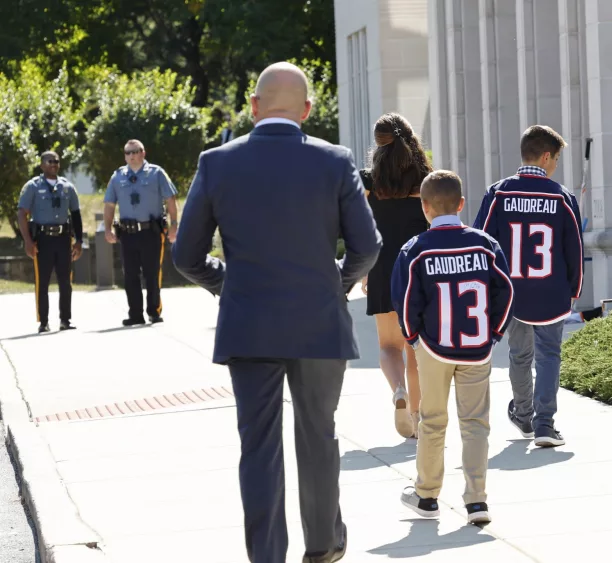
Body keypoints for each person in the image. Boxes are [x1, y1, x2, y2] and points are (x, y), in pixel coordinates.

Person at [172, 61, 381, 563]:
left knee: (259, 447)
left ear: (254, 107)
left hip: (250, 324)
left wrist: (228, 284)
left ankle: (267, 555)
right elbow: (368, 245)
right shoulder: (335, 162)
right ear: (308, 110)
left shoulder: (217, 162)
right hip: (318, 323)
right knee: (318, 437)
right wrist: (338, 284)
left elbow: (185, 255)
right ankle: (324, 545)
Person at [391, 170, 514, 525]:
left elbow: (405, 302)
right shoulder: (485, 244)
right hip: (477, 345)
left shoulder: (415, 250)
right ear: (461, 204)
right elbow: (505, 291)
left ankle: (427, 495)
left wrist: (414, 339)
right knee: (476, 422)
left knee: (432, 420)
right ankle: (477, 501)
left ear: (424, 207)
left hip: (433, 346)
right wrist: (494, 333)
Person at [472, 125, 583, 448]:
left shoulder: (499, 194)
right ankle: (545, 423)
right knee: (549, 355)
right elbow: (573, 249)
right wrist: (573, 289)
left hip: (512, 292)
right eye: (557, 158)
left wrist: (487, 290)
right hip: (551, 291)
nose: (556, 165)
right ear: (546, 156)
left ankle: (524, 415)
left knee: (519, 355)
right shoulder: (561, 196)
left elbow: (482, 242)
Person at [360, 113, 431, 439]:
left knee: (389, 345)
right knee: (416, 347)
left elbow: (359, 227)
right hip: (418, 269)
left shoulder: (367, 182)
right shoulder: (425, 179)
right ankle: (417, 416)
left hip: (382, 266)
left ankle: (398, 392)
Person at [103, 139, 179, 326]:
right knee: (130, 274)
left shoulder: (156, 173)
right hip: (127, 233)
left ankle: (154, 311)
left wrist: (174, 224)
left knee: (152, 273)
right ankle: (135, 314)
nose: (131, 156)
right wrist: (107, 228)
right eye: (128, 153)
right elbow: (109, 205)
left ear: (143, 153)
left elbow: (170, 199)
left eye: (135, 151)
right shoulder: (118, 176)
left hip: (150, 232)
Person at [16, 151, 84, 332]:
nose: (53, 164)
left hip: (63, 239)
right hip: (43, 240)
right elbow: (22, 213)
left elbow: (76, 214)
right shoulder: (32, 186)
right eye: (49, 161)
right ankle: (44, 321)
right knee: (42, 281)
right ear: (42, 165)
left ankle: (65, 320)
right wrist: (28, 241)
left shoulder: (67, 187)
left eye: (56, 161)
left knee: (65, 281)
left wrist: (79, 241)